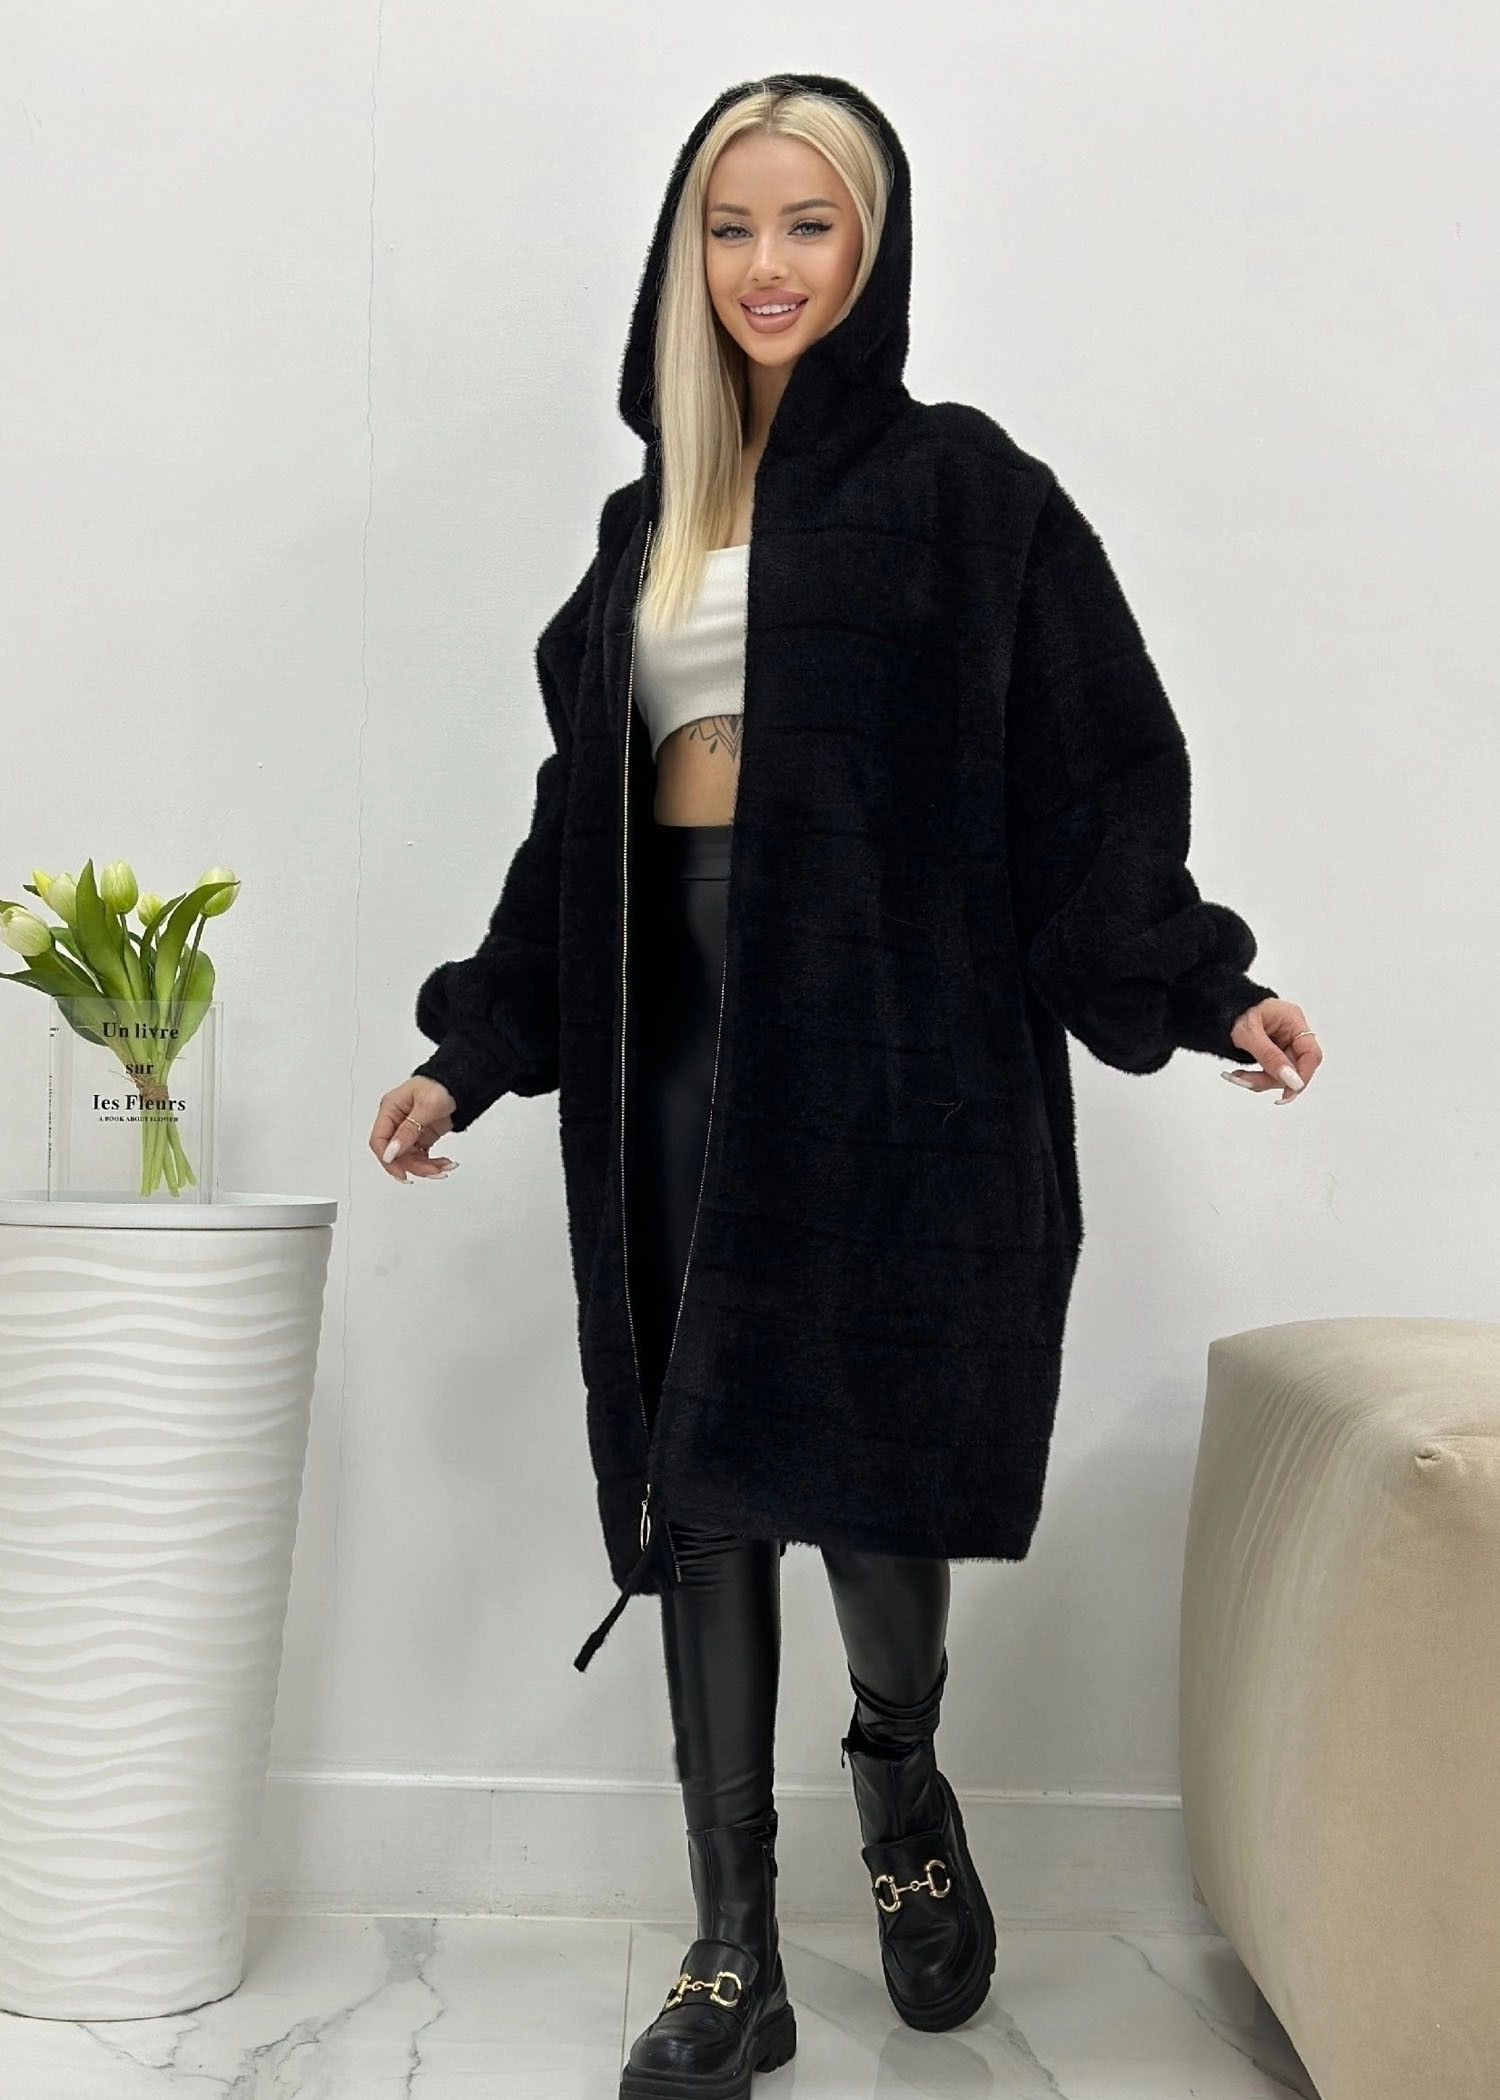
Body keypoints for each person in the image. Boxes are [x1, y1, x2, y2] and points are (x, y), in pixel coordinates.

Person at [369, 72, 1322, 2098]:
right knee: (702, 1487)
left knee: (872, 1483)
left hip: (894, 1063)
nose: (766, 264)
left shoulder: (969, 493)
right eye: (731, 226)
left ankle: (898, 1772)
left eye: (807, 224)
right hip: (676, 1053)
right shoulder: (649, 528)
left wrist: (1200, 984)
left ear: (869, 249)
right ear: (685, 255)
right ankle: (734, 1952)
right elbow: (579, 829)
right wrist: (479, 1050)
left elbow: (1087, 777)